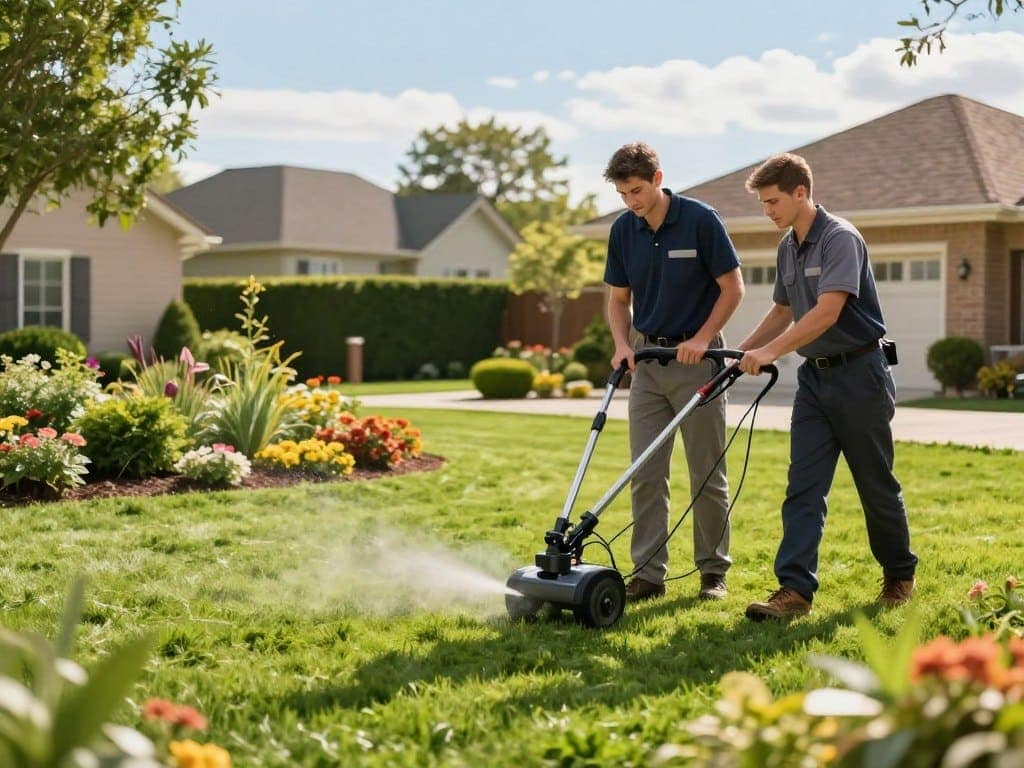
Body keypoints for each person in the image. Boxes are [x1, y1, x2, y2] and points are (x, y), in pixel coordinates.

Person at [736, 152, 918, 621]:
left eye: (773, 201)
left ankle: (899, 574)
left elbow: (826, 311)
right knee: (804, 486)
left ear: (801, 192)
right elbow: (783, 310)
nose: (768, 211)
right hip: (815, 380)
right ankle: (794, 590)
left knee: (875, 484)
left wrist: (771, 353)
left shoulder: (840, 238)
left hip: (861, 375)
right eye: (763, 203)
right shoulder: (786, 247)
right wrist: (741, 352)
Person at [603, 142, 745, 602]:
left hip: (698, 361)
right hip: (647, 362)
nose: (633, 202)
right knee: (646, 472)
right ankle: (647, 574)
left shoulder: (701, 220)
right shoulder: (624, 230)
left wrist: (703, 337)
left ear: (658, 178)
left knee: (705, 471)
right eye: (624, 194)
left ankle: (712, 573)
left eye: (638, 190)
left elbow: (732, 288)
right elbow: (618, 299)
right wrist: (623, 345)